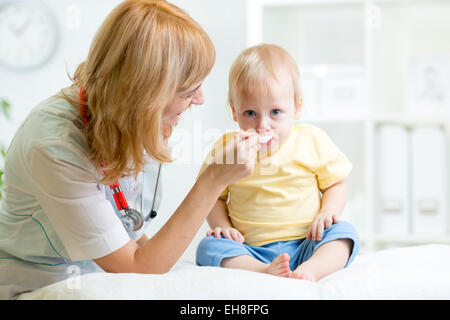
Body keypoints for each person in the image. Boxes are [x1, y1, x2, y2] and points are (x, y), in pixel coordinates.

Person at [0, 0, 261, 299]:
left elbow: (127, 233)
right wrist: (213, 180)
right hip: (39, 285)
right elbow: (136, 268)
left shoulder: (129, 118)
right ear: (147, 95)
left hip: (102, 275)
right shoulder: (54, 146)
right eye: (188, 91)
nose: (200, 99)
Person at [196, 44, 360, 281]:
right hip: (251, 250)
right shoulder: (228, 149)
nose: (263, 125)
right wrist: (224, 227)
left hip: (308, 243)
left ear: (297, 107)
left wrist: (328, 212)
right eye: (250, 113)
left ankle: (311, 270)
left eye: (275, 112)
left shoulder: (311, 139)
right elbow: (213, 197)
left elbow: (336, 184)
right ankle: (263, 271)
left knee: (345, 233)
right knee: (209, 247)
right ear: (234, 111)